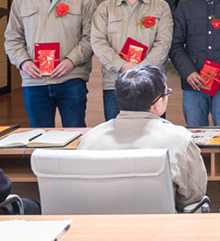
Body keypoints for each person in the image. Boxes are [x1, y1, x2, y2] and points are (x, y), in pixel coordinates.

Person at [78, 65, 207, 211]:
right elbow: (194, 195)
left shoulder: (90, 138)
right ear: (157, 103)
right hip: (162, 224)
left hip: (100, 223)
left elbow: (80, 191)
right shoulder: (179, 139)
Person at [4, 0, 96, 127]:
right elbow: (13, 38)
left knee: (75, 133)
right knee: (40, 135)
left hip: (71, 78)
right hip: (34, 80)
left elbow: (91, 36)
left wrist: (71, 61)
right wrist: (24, 62)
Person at [91, 0, 173, 121]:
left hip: (151, 83)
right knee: (117, 133)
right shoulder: (105, 8)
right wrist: (122, 66)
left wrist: (141, 70)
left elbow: (163, 42)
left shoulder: (161, 6)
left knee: (153, 133)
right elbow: (98, 42)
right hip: (115, 82)